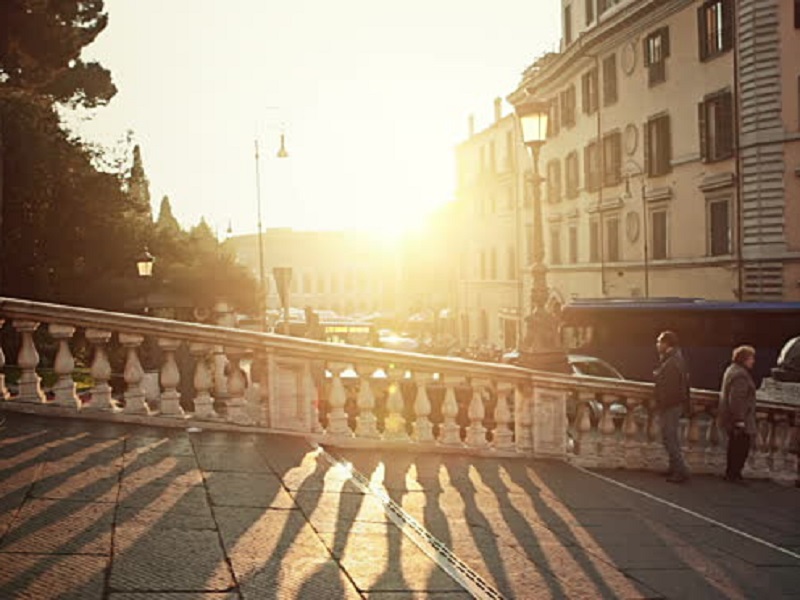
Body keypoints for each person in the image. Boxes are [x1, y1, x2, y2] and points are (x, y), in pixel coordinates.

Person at [654, 331, 691, 483]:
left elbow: (671, 387)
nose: (657, 345)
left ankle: (681, 471)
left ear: (666, 344)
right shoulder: (675, 359)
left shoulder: (672, 362)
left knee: (670, 438)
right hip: (674, 404)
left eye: (659, 342)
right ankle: (674, 468)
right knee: (671, 438)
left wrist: (662, 403)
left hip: (670, 405)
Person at [719, 345, 757, 483]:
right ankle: (734, 474)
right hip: (740, 419)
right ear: (744, 359)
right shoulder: (741, 375)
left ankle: (731, 473)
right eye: (751, 358)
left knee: (734, 447)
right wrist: (739, 420)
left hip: (731, 417)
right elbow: (736, 399)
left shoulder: (731, 370)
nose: (753, 361)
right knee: (741, 448)